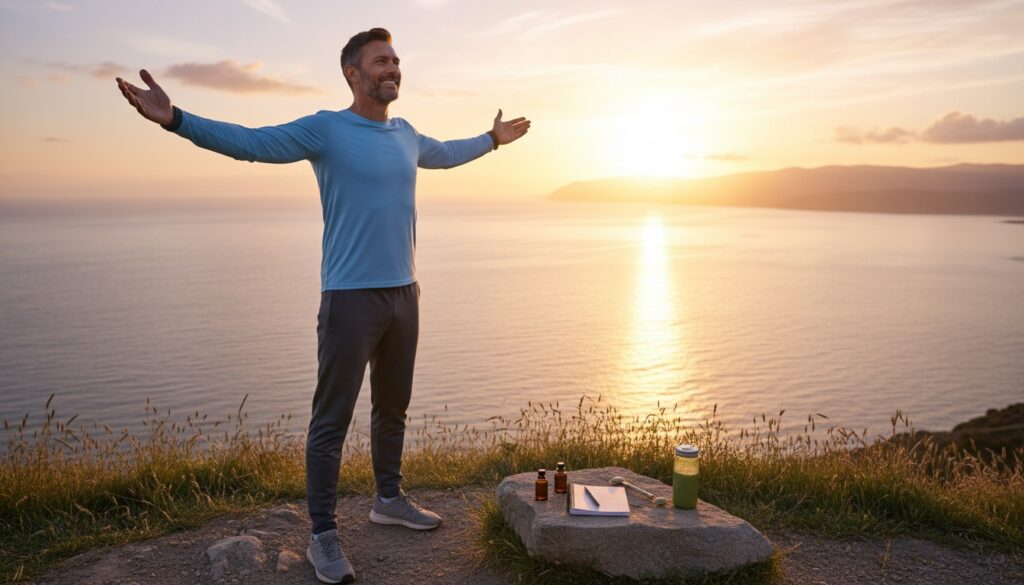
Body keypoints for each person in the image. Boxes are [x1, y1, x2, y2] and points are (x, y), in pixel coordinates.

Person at [115, 27, 530, 584]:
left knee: (393, 407)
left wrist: (493, 138)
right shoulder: (327, 129)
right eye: (381, 61)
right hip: (349, 297)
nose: (394, 68)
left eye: (397, 60)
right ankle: (322, 534)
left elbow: (449, 154)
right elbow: (253, 143)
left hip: (405, 293)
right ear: (352, 74)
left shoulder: (406, 133)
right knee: (331, 420)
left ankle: (388, 499)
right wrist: (177, 121)